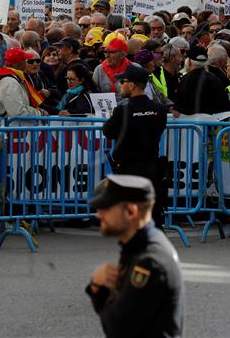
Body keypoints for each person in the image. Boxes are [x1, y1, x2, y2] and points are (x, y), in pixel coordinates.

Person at [86, 175, 184, 338]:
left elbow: (117, 330)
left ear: (131, 211)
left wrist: (97, 288)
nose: (98, 215)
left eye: (106, 209)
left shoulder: (149, 262)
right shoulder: (139, 244)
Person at [102, 66, 167, 227]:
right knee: (152, 211)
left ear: (132, 85)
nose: (120, 85)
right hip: (151, 167)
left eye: (122, 81)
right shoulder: (158, 109)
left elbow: (108, 131)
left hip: (129, 168)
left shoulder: (122, 111)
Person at [0, 47, 46, 119]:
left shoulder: (13, 79)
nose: (26, 63)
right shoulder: (9, 82)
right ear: (20, 63)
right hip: (10, 128)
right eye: (25, 60)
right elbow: (17, 112)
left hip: (14, 127)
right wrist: (38, 113)